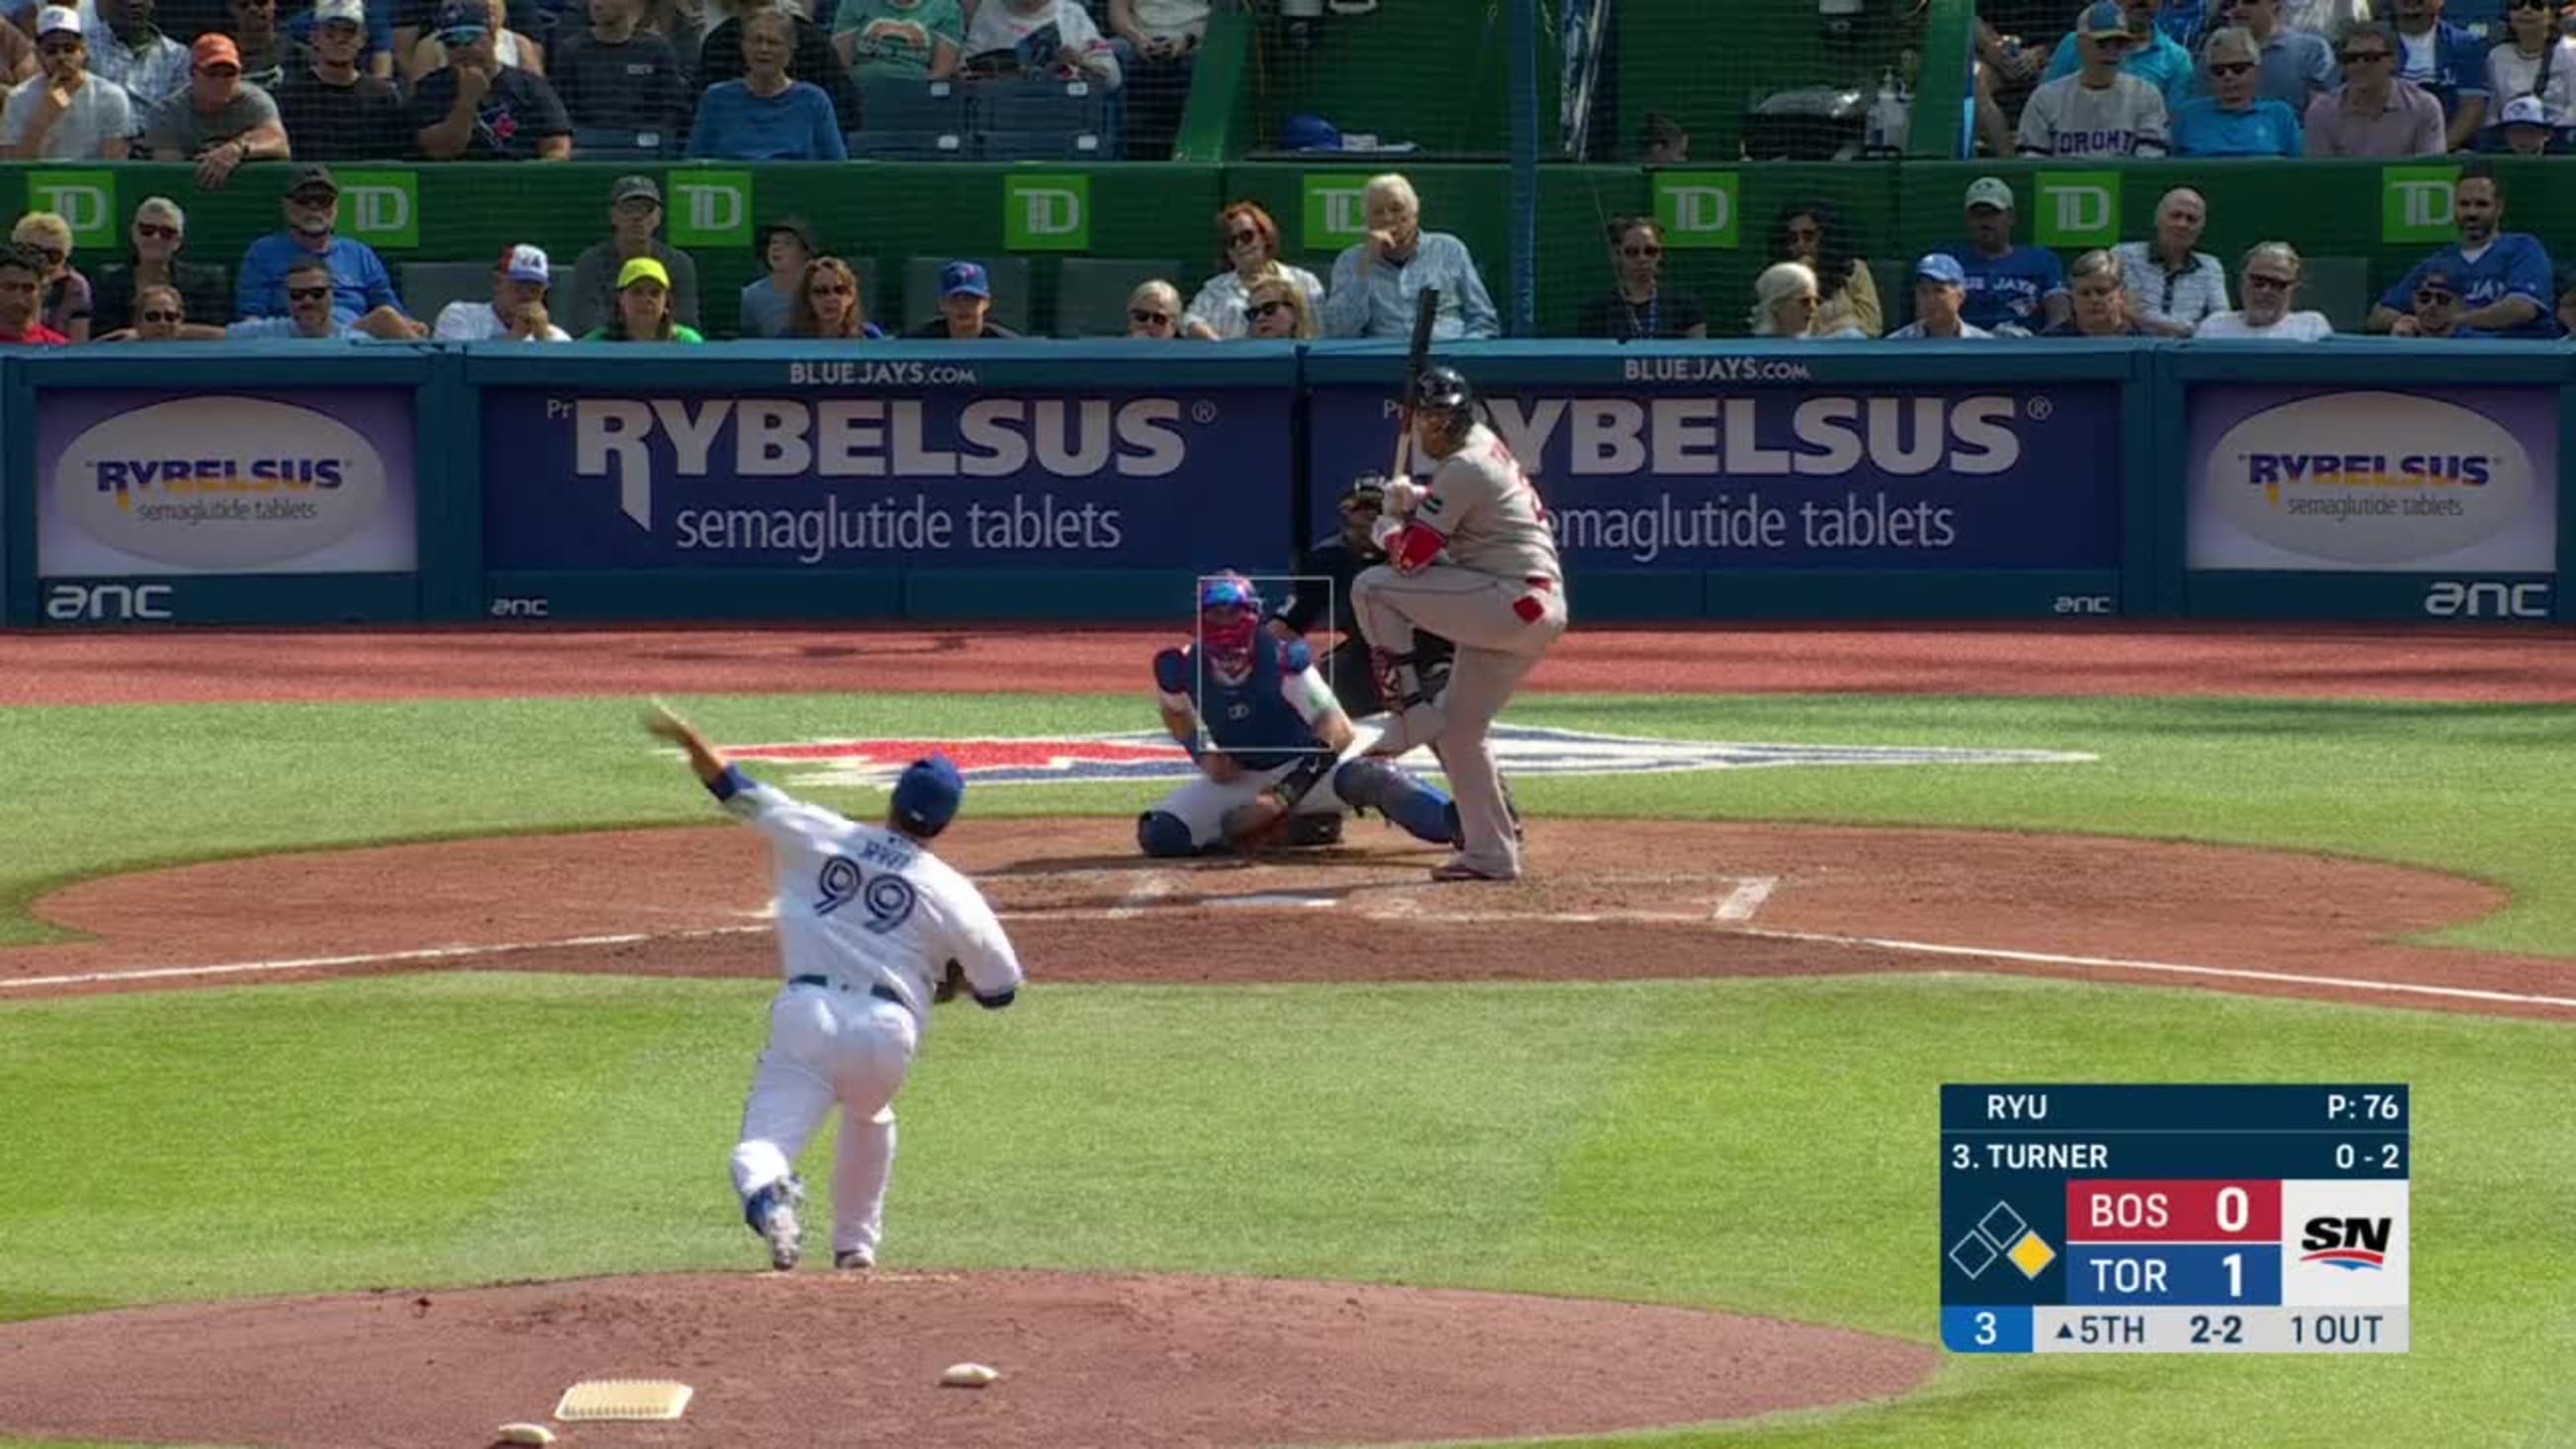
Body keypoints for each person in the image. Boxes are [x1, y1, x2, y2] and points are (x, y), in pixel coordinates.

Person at [642, 700, 1023, 1274]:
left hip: (808, 1015)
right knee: (872, 1114)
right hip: (888, 1033)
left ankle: (771, 1195)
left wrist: (687, 734)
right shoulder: (953, 891)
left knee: (762, 1146)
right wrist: (947, 981)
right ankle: (856, 1248)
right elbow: (1001, 989)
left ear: (893, 801)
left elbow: (731, 785)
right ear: (945, 822)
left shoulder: (818, 831)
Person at [1351, 366, 1567, 883]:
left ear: (1463, 411)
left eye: (1443, 415)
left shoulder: (1466, 464)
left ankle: (1408, 711)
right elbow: (1464, 513)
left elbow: (1410, 560)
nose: (1434, 427)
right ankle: (1491, 852)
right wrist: (1420, 500)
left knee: (1374, 586)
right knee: (1463, 732)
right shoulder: (1480, 448)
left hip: (1509, 600)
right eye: (1427, 416)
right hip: (1520, 605)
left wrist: (1386, 529)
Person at [1137, 573, 1460, 859]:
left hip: (1312, 768)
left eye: (1234, 613)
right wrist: (1201, 753)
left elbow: (1337, 730)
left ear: (1253, 616)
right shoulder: (1177, 666)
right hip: (1246, 775)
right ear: (1201, 618)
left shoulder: (1283, 658)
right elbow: (1175, 713)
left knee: (1375, 779)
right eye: (1217, 614)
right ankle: (1300, 828)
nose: (1226, 623)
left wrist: (1282, 797)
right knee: (1162, 835)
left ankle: (1462, 825)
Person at [2366, 165, 2554, 337]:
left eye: (2481, 204)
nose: (2471, 213)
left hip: (2514, 359)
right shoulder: (2437, 262)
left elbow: (2522, 308)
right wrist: (2407, 321)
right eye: (2464, 204)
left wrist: (2453, 321)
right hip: (2448, 362)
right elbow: (2378, 315)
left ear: (2499, 208)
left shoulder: (2522, 248)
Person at [1321, 173, 1500, 341]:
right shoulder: (1351, 260)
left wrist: (1465, 351)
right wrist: (1364, 268)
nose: (1388, 218)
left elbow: (1484, 319)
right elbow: (1338, 331)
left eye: (1396, 209)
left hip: (1447, 354)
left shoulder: (1449, 249)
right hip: (1382, 359)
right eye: (1377, 212)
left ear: (1414, 212)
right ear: (1366, 220)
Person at [237, 163, 408, 325]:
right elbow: (252, 317)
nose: (314, 206)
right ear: (287, 205)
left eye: (323, 200)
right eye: (304, 199)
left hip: (354, 341)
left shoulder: (360, 253)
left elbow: (391, 308)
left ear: (336, 207)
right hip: (292, 338)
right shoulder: (263, 252)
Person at [413, 0, 573, 160]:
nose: (461, 48)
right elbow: (439, 151)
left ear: (491, 36)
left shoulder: (529, 86)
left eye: (468, 37)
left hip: (519, 176)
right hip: (456, 179)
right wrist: (467, 101)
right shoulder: (431, 88)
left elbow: (557, 145)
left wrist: (533, 175)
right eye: (451, 42)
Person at [2018, 1, 2172, 156]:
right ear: (2080, 44)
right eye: (2102, 43)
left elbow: (2147, 167)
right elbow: (2032, 167)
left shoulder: (2146, 96)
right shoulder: (2045, 100)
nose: (2111, 51)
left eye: (2120, 43)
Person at [688, 8, 845, 158]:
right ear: (743, 46)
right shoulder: (716, 99)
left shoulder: (814, 101)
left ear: (790, 50)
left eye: (773, 42)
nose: (763, 49)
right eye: (756, 41)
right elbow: (692, 166)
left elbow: (837, 170)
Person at [142, 33, 289, 190]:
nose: (221, 81)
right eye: (212, 74)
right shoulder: (168, 112)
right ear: (193, 74)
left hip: (250, 190)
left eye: (229, 74)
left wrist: (236, 149)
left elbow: (279, 142)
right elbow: (170, 175)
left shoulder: (254, 101)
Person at [272, 0, 414, 160]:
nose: (340, 39)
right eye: (330, 32)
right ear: (315, 38)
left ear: (362, 39)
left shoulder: (384, 98)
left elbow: (400, 157)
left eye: (349, 32)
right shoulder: (291, 96)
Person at [566, 174, 701, 335]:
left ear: (658, 217)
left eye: (646, 209)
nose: (637, 217)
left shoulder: (679, 263)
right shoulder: (590, 262)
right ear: (613, 215)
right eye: (628, 208)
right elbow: (586, 325)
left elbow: (686, 324)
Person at [1, 6, 134, 160]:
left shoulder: (111, 96)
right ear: (38, 54)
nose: (61, 57)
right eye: (51, 50)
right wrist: (46, 114)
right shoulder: (19, 98)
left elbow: (115, 163)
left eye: (69, 49)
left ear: (83, 51)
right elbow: (12, 168)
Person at [1940, 176, 2068, 334]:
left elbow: (2060, 317)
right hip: (1965, 347)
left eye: (1993, 213)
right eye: (1977, 215)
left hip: (2024, 347)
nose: (1985, 222)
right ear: (1967, 219)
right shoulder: (1949, 261)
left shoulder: (2041, 260)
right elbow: (1932, 316)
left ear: (2011, 217)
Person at [1180, 201, 1324, 340]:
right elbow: (1188, 322)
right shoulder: (1214, 289)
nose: (1239, 245)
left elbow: (1321, 332)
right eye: (1231, 241)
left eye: (1246, 236)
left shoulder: (1304, 281)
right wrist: (1217, 346)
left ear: (1265, 236)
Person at [2305, 18, 2450, 155]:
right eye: (2351, 59)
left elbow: (2429, 170)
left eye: (2371, 57)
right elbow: (2322, 174)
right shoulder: (2322, 111)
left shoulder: (2424, 107)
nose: (2360, 65)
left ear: (2392, 60)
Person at [549, 0, 691, 137]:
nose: (597, 4)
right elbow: (563, 111)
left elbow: (673, 109)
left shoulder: (656, 50)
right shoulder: (571, 51)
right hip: (587, 147)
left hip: (645, 148)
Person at [87, 196, 228, 333]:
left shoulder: (204, 283)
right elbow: (99, 336)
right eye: (147, 230)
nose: (156, 238)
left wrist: (144, 333)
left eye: (166, 232)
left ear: (178, 241)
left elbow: (218, 335)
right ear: (134, 234)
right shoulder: (107, 281)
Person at [2114, 187, 2229, 337]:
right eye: (2175, 216)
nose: (2182, 224)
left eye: (2191, 219)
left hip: (2190, 352)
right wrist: (2187, 329)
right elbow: (2129, 312)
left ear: (2201, 228)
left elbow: (2220, 320)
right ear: (2157, 219)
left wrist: (2185, 331)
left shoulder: (2210, 266)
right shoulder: (2123, 255)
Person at [2172, 26, 2305, 154]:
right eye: (2219, 71)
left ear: (2256, 71)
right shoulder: (2187, 116)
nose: (2228, 76)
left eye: (2238, 68)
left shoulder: (2280, 115)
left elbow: (2298, 170)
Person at [1575, 216, 1707, 340]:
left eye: (1650, 251)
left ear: (1659, 254)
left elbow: (1698, 355)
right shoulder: (1597, 310)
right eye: (1632, 252)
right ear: (1617, 255)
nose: (1642, 259)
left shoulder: (1684, 304)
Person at [2040, 0, 2195, 102]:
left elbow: (2171, 124)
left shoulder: (2177, 59)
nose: (2143, 2)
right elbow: (2045, 103)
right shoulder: (2077, 42)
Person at [1105, 0, 1202, 156]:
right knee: (1112, 52)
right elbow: (1118, 13)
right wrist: (1138, 39)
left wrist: (1188, 40)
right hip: (1140, 37)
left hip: (1195, 38)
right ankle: (1115, 153)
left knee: (1209, 59)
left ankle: (1193, 152)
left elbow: (1223, 17)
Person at [2391, 0, 2491, 148]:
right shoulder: (2371, 47)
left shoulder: (2467, 44)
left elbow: (2472, 108)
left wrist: (2437, 150)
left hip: (2449, 152)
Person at [1772, 201, 1879, 339]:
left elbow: (1872, 325)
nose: (1800, 244)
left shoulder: (1854, 269)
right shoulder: (1778, 277)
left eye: (1808, 236)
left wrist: (1833, 328)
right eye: (1793, 239)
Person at [962, 0, 1122, 90]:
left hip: (1061, 111)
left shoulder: (1073, 14)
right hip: (1001, 108)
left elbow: (1112, 78)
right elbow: (964, 67)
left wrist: (1079, 61)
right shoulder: (989, 9)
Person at [2195, 240, 2333, 339]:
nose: (2265, 291)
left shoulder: (2311, 327)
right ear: (2242, 281)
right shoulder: (2214, 326)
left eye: (2277, 284)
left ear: (2293, 288)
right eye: (2258, 282)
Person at [434, 243, 570, 340]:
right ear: (498, 282)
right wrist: (515, 337)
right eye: (519, 286)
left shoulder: (557, 337)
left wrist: (545, 342)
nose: (527, 294)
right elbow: (459, 372)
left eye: (535, 289)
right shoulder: (461, 316)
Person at [2484, 0, 2576, 130]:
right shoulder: (2497, 56)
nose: (2526, 10)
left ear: (2551, 15)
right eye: (2517, 5)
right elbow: (2492, 112)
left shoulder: (2572, 52)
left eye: (2537, 5)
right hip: (2509, 138)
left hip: (2560, 139)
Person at [583, 254, 704, 340]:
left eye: (655, 293)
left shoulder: (688, 342)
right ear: (620, 299)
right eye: (637, 292)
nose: (647, 299)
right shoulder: (595, 343)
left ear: (666, 302)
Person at [833, 0, 965, 80]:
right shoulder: (855, 2)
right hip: (861, 97)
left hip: (916, 101)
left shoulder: (946, 7)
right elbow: (841, 66)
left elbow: (941, 73)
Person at [12, 210, 89, 341]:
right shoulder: (6, 279)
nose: (44, 262)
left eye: (54, 255)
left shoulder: (75, 285)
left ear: (65, 255)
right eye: (35, 253)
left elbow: (78, 343)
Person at [2040, 249, 2152, 335]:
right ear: (2072, 298)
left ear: (2121, 294)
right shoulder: (2053, 341)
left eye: (2101, 292)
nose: (2094, 299)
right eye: (2085, 293)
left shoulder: (2145, 339)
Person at [902, 259, 1020, 338]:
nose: (962, 307)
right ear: (942, 303)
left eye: (970, 299)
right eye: (955, 299)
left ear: (986, 303)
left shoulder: (1008, 345)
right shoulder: (918, 342)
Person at [1887, 253, 1995, 339]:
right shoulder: (1896, 345)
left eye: (1939, 291)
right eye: (1924, 292)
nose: (1930, 299)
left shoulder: (1983, 345)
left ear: (1960, 296)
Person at [741, 216, 817, 339]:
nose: (777, 248)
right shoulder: (751, 295)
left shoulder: (824, 289)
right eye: (773, 242)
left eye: (787, 243)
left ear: (805, 252)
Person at [788, 255, 885, 338]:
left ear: (851, 296)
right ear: (808, 298)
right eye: (820, 291)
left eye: (839, 290)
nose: (831, 298)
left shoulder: (868, 336)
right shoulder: (789, 339)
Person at [0, 241, 70, 345]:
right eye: (9, 287)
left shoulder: (58, 349)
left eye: (28, 289)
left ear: (43, 290)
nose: (18, 298)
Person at [1241, 274, 1316, 339]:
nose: (1260, 318)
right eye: (1253, 313)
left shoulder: (1317, 352)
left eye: (1269, 308)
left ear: (1295, 311)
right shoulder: (1240, 354)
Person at [2489, 90, 2567, 151]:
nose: (2522, 138)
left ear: (2547, 134)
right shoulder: (2490, 167)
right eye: (2515, 132)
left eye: (2529, 131)